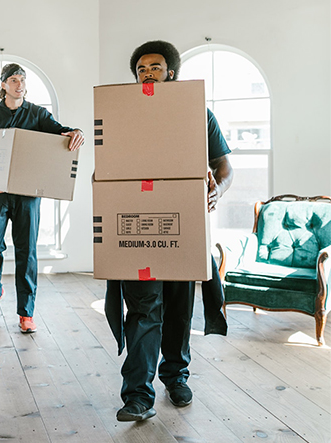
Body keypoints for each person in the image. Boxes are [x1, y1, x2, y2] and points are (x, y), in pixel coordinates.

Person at [106, 40, 234, 422]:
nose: (147, 73)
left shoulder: (198, 114)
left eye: (155, 67)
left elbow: (224, 169)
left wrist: (217, 192)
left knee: (178, 311)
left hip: (183, 227)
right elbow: (109, 172)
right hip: (137, 228)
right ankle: (138, 396)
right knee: (143, 310)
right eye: (141, 69)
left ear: (171, 73)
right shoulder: (122, 117)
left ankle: (176, 377)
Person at [0, 63, 84, 333]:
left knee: (26, 252)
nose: (19, 84)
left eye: (22, 80)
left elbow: (59, 132)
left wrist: (75, 132)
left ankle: (26, 313)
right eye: (14, 80)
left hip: (28, 195)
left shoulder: (38, 114)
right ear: (3, 85)